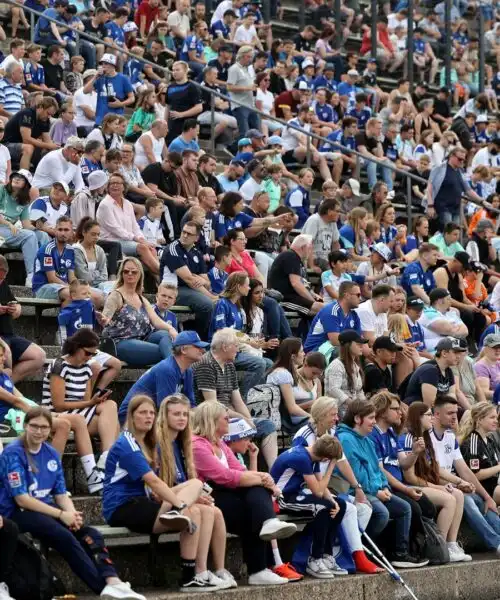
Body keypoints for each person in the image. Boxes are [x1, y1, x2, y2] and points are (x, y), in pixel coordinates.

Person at [0, 406, 146, 600]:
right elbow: (22, 499)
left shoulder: (51, 454)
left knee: (90, 534)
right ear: (26, 426)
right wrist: (61, 515)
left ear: (50, 429)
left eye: (44, 427)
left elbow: (60, 493)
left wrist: (72, 514)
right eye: (34, 426)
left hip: (46, 510)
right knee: (65, 537)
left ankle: (113, 581)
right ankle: (102, 589)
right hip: (16, 512)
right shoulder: (13, 453)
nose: (39, 431)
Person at [105, 394, 233, 592]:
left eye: (151, 413)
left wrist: (189, 500)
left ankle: (199, 574)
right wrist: (182, 505)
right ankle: (189, 576)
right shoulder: (127, 443)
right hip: (123, 507)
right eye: (142, 413)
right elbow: (154, 482)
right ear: (131, 416)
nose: (148, 417)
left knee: (204, 506)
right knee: (193, 507)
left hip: (143, 501)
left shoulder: (147, 442)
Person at [192, 401, 297, 586]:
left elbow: (240, 469)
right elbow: (224, 476)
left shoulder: (220, 444)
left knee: (255, 500)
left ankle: (261, 564)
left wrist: (261, 478)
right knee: (256, 494)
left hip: (225, 494)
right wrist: (264, 478)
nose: (230, 420)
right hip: (207, 497)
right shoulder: (198, 444)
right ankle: (259, 564)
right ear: (213, 420)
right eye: (226, 418)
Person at [337, 400, 428, 568]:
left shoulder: (366, 440)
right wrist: (376, 491)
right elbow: (357, 474)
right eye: (371, 418)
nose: (373, 422)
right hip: (354, 491)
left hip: (374, 489)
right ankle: (361, 551)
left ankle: (400, 553)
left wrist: (384, 486)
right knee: (381, 513)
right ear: (358, 419)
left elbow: (377, 470)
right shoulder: (346, 439)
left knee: (404, 508)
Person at [42, 329, 118, 494]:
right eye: (87, 353)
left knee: (111, 406)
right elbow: (58, 404)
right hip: (55, 414)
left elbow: (84, 401)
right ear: (76, 347)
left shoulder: (86, 368)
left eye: (93, 354)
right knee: (105, 423)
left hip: (78, 413)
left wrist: (93, 399)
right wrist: (91, 402)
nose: (90, 357)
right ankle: (94, 474)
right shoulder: (58, 365)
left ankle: (105, 461)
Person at [193, 328, 277, 467]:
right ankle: (239, 468)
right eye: (236, 345)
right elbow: (213, 406)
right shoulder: (206, 365)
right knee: (243, 429)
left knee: (267, 426)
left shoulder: (229, 365)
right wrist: (242, 419)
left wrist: (248, 421)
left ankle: (274, 471)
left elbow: (237, 400)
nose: (238, 350)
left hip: (229, 415)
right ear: (225, 347)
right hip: (212, 419)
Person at [399, 402, 469, 562]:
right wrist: (439, 487)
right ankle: (439, 546)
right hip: (410, 486)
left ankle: (451, 544)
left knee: (458, 494)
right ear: (418, 417)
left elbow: (435, 468)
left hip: (423, 483)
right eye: (428, 415)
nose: (432, 418)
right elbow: (410, 477)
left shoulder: (426, 437)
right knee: (449, 499)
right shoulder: (409, 438)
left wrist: (458, 481)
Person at [271, 435, 348, 578]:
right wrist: (331, 466)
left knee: (341, 505)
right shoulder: (301, 458)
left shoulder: (312, 453)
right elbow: (318, 491)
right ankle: (315, 559)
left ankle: (326, 555)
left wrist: (333, 501)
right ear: (326, 458)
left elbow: (320, 484)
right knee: (322, 508)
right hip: (280, 498)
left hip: (295, 493)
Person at [432, 395, 500, 556]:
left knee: (485, 502)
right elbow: (431, 473)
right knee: (467, 500)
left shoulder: (450, 437)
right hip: (439, 487)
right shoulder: (428, 438)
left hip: (457, 486)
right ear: (436, 414)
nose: (455, 417)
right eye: (450, 413)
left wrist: (488, 498)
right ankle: (495, 543)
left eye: (456, 412)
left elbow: (465, 471)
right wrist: (459, 483)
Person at [370, 391, 437, 545]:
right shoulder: (372, 434)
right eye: (395, 409)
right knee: (412, 509)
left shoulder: (392, 432)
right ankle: (399, 550)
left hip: (399, 486)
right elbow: (381, 471)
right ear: (381, 411)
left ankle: (421, 546)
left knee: (428, 507)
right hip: (387, 487)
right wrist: (406, 489)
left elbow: (404, 464)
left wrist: (414, 452)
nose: (400, 412)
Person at [101, 258, 180, 367]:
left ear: (140, 275)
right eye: (126, 271)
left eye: (134, 272)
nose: (130, 274)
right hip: (120, 343)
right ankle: (176, 370)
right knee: (163, 350)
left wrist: (171, 329)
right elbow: (105, 317)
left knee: (165, 335)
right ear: (122, 273)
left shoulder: (142, 299)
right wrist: (104, 319)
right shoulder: (116, 295)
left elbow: (156, 321)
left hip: (143, 340)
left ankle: (173, 370)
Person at [118, 330, 208, 424]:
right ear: (183, 350)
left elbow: (191, 404)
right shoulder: (167, 369)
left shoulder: (188, 370)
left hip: (153, 415)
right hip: (131, 417)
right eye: (198, 347)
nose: (203, 350)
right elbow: (165, 409)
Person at [209, 274, 270, 399]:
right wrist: (248, 340)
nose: (249, 288)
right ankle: (242, 398)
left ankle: (255, 398)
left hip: (235, 349)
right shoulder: (222, 304)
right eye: (247, 285)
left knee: (269, 363)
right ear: (238, 286)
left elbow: (238, 332)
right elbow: (221, 331)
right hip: (221, 350)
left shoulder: (237, 307)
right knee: (260, 364)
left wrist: (251, 340)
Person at [161, 220, 217, 338]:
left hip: (190, 290)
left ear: (196, 238)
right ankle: (199, 339)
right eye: (184, 232)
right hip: (172, 289)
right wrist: (211, 296)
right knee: (207, 304)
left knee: (218, 302)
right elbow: (189, 280)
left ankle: (200, 334)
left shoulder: (196, 252)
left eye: (189, 234)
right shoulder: (173, 249)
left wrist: (204, 282)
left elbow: (206, 282)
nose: (185, 235)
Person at [96, 173, 160, 276]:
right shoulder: (105, 205)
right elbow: (116, 229)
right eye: (112, 183)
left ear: (124, 187)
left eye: (118, 183)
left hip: (128, 240)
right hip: (112, 242)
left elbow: (135, 226)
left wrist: (142, 239)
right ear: (108, 187)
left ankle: (160, 284)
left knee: (151, 249)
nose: (114, 185)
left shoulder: (127, 204)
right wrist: (136, 239)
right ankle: (164, 274)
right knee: (143, 248)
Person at [433, 251, 488, 347]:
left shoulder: (458, 275)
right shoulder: (442, 272)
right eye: (463, 266)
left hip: (456, 305)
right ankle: (463, 342)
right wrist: (466, 307)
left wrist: (474, 307)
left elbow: (463, 297)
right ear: (455, 261)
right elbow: (444, 298)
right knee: (467, 313)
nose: (464, 269)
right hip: (443, 305)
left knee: (479, 315)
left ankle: (475, 343)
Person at [426, 146, 486, 229]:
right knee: (447, 233)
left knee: (454, 235)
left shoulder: (460, 172)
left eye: (463, 160)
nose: (462, 162)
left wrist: (482, 201)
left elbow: (468, 190)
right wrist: (430, 206)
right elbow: (429, 187)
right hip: (443, 207)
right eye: (459, 159)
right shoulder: (439, 168)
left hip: (456, 209)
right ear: (451, 156)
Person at [0, 170, 40, 288]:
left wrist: (41, 228)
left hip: (7, 233)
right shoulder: (1, 190)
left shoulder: (23, 202)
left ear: (26, 185)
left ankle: (36, 275)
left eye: (21, 178)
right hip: (4, 229)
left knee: (38, 235)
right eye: (15, 176)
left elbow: (27, 225)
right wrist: (8, 223)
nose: (17, 178)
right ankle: (32, 275)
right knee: (29, 236)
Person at [268, 234, 324, 317]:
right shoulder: (291, 256)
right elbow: (296, 284)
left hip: (294, 297)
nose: (311, 251)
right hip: (285, 298)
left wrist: (316, 296)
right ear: (303, 247)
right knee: (325, 308)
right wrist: (313, 301)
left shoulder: (297, 259)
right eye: (310, 248)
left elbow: (304, 284)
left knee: (327, 306)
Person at [403, 337, 465, 406]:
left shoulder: (448, 371)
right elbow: (430, 404)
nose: (459, 356)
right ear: (444, 353)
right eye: (455, 353)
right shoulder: (430, 370)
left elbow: (451, 399)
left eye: (459, 353)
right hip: (417, 412)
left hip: (435, 411)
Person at [459, 402, 500, 506]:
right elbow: (476, 475)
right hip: (484, 489)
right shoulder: (472, 442)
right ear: (479, 420)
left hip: (495, 484)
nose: (496, 421)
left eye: (496, 417)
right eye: (492, 417)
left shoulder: (490, 439)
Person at [304, 281, 362, 354]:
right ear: (347, 295)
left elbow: (359, 339)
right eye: (358, 295)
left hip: (331, 349)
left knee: (362, 352)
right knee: (341, 352)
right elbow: (335, 341)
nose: (360, 298)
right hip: (315, 351)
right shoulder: (331, 311)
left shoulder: (354, 315)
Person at [83, 53, 135, 126]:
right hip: (101, 119)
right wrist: (95, 76)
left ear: (113, 65)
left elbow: (132, 98)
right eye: (102, 64)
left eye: (106, 64)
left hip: (117, 119)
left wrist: (121, 104)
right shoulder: (99, 77)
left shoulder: (123, 78)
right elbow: (85, 91)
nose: (103, 66)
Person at [32, 215, 75, 302]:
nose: (63, 233)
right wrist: (71, 288)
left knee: (95, 296)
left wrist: (79, 287)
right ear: (55, 231)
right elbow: (51, 279)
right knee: (71, 294)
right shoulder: (47, 249)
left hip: (63, 287)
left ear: (71, 232)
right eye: (60, 229)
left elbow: (71, 277)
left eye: (66, 230)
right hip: (43, 287)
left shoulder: (71, 250)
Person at [324, 330, 367, 409]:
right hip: (336, 411)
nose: (362, 346)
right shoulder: (336, 365)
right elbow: (333, 389)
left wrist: (365, 406)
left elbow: (359, 391)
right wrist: (352, 404)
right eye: (358, 344)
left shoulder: (355, 365)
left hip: (351, 410)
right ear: (347, 345)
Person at [73, 218, 118, 292]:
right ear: (84, 233)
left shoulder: (99, 250)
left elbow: (104, 276)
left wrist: (94, 276)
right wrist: (97, 273)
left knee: (115, 286)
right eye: (93, 234)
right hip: (83, 287)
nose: (96, 237)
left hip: (100, 285)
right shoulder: (76, 250)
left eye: (98, 234)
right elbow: (84, 277)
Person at [417, 288, 469, 353]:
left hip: (452, 349)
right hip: (434, 351)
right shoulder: (428, 313)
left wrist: (452, 331)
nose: (451, 301)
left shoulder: (451, 312)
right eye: (448, 299)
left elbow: (465, 331)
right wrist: (455, 329)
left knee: (465, 355)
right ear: (440, 301)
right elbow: (449, 330)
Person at [474, 334, 500, 400]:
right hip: (491, 404)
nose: (498, 350)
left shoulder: (498, 363)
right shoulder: (480, 366)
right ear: (485, 349)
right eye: (494, 347)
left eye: (499, 347)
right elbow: (483, 393)